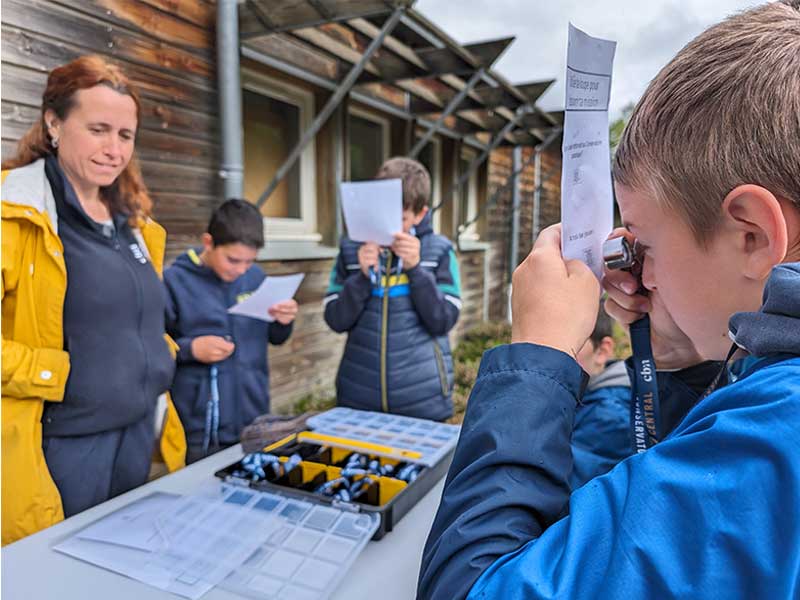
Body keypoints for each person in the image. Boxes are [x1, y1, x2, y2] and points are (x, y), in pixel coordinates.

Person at [418, 2, 800, 598]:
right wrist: (673, 354)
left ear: (751, 234)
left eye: (644, 243)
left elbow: (472, 588)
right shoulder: (772, 389)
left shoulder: (776, 437)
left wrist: (539, 353)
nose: (638, 269)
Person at [1, 56, 186, 545]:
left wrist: (157, 360)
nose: (114, 149)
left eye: (125, 135)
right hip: (61, 446)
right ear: (54, 123)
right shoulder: (12, 215)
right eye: (99, 129)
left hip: (138, 432)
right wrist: (52, 374)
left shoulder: (136, 225)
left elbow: (132, 322)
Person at [324, 157, 461, 420]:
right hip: (358, 397)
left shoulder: (440, 250)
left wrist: (416, 270)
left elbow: (443, 320)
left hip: (423, 400)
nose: (389, 227)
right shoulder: (351, 249)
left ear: (420, 214)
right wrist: (362, 277)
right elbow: (335, 320)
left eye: (400, 219)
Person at [164, 199, 298, 464]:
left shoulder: (256, 278)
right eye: (233, 260)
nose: (240, 270)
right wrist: (191, 349)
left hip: (253, 416)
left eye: (249, 262)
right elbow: (152, 347)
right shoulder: (174, 281)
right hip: (199, 426)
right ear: (208, 242)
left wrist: (284, 321)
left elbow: (276, 338)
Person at [569, 303, 631, 489]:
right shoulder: (582, 397)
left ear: (602, 351)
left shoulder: (610, 416)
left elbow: (550, 489)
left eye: (570, 345)